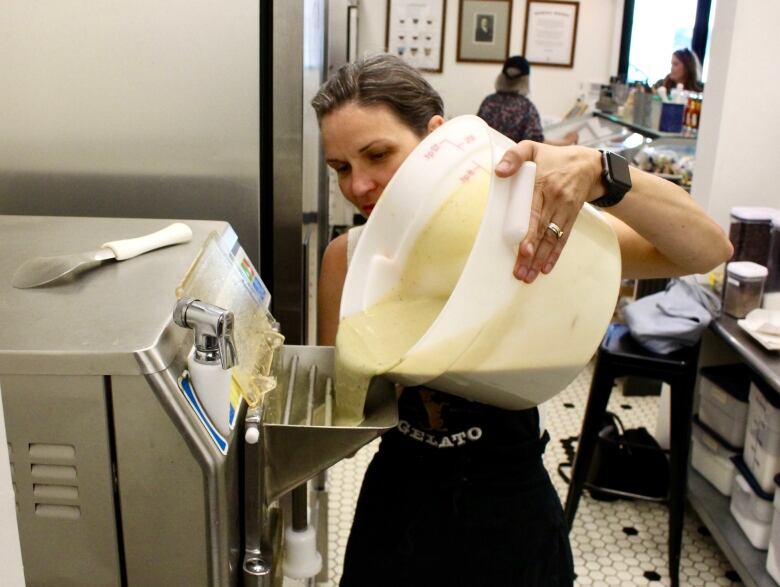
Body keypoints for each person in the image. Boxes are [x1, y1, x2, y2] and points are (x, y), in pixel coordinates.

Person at [311, 53, 732, 587]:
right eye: (341, 168)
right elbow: (342, 415)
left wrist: (603, 171)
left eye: (377, 154)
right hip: (399, 509)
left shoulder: (524, 232)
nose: (359, 186)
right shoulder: (348, 260)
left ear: (437, 140)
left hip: (510, 508)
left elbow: (706, 249)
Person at [477, 55, 578, 146]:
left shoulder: (488, 102)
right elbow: (537, 143)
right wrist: (566, 141)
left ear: (501, 77)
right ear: (526, 80)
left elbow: (476, 132)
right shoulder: (527, 107)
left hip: (484, 161)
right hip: (512, 162)